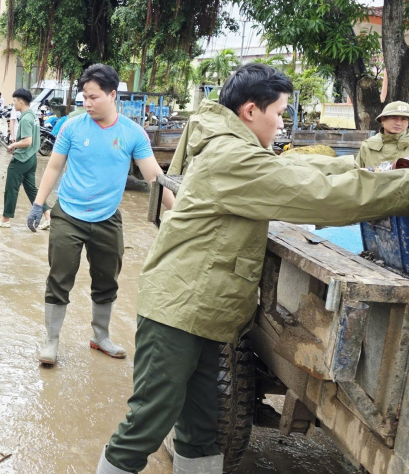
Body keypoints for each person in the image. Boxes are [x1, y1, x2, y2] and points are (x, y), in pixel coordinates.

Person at [96, 63, 409, 474]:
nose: (281, 124)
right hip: (178, 311)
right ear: (249, 111)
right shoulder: (231, 159)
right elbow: (315, 194)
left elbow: (296, 169)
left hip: (204, 313)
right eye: (279, 113)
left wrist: (371, 171)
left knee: (202, 426)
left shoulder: (238, 149)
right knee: (146, 424)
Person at [27, 64, 175, 367]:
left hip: (107, 217)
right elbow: (53, 167)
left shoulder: (133, 134)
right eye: (84, 97)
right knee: (60, 276)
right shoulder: (72, 126)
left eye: (94, 97)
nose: (87, 103)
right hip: (68, 214)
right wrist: (38, 203)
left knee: (107, 279)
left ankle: (100, 336)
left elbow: (154, 179)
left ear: (112, 95)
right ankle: (52, 341)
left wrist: (179, 214)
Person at [0, 88, 51, 229]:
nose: (14, 104)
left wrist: (14, 145)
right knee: (32, 190)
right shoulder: (33, 116)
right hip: (31, 159)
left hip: (21, 159)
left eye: (15, 101)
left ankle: (5, 219)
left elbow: (27, 141)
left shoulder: (26, 118)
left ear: (21, 101)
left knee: (11, 188)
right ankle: (48, 216)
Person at [356, 101, 409, 169]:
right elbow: (357, 173)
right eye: (394, 118)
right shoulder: (368, 146)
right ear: (383, 120)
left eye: (403, 119)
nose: (398, 123)